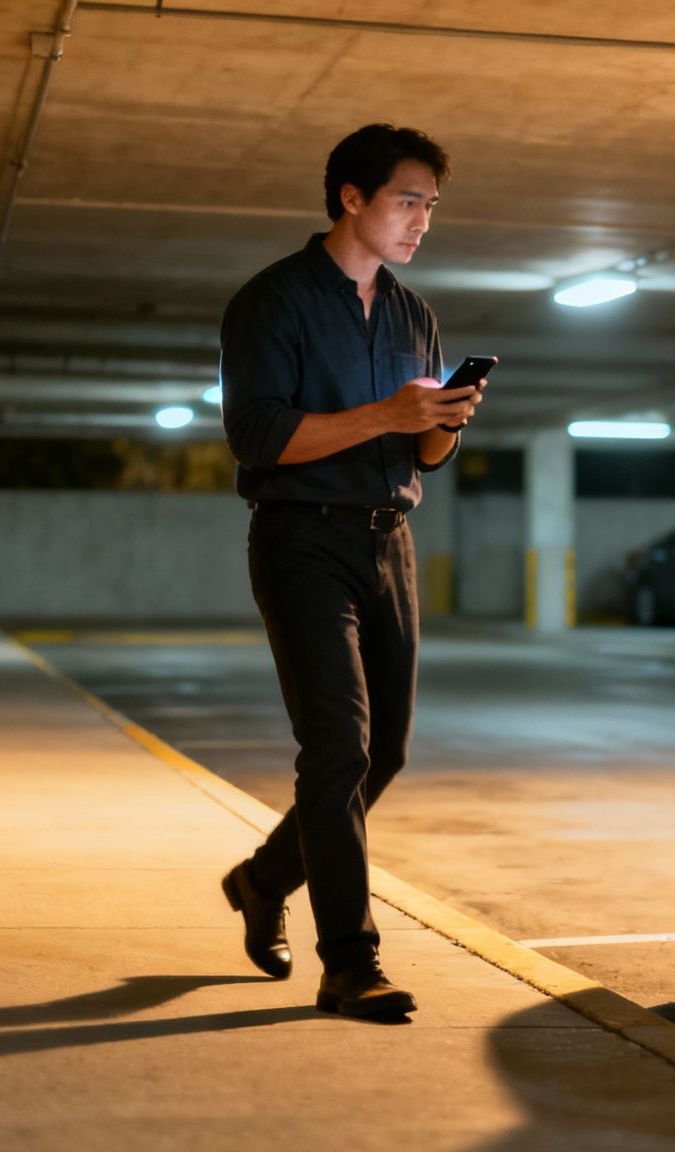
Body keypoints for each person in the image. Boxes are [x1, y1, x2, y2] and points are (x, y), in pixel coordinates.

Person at [216, 124, 481, 1018]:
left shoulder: (413, 314)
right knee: (337, 747)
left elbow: (427, 454)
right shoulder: (272, 302)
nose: (420, 222)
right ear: (352, 198)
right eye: (407, 202)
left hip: (389, 541)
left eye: (430, 208)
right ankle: (350, 963)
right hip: (300, 538)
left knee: (386, 753)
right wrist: (385, 414)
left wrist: (444, 418)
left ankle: (262, 879)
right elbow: (257, 437)